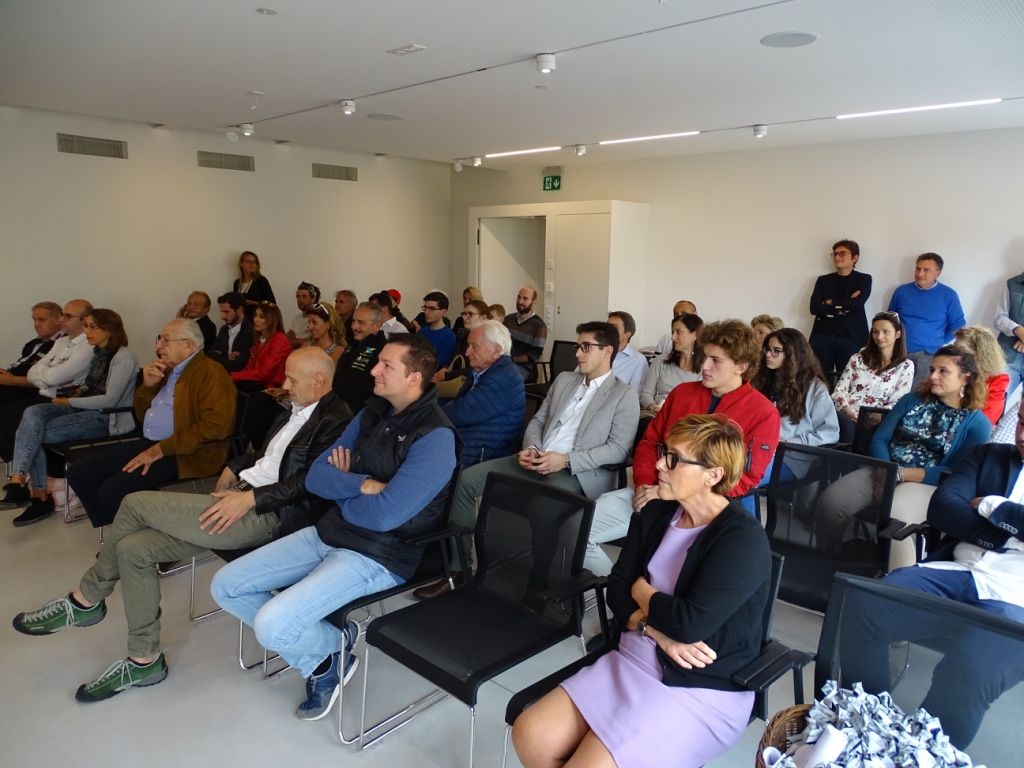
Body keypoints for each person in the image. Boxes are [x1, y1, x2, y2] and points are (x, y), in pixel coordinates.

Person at [11, 348, 352, 702]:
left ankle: (86, 600)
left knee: (134, 503)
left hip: (269, 515)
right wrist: (234, 467)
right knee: (133, 549)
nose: (284, 385)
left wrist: (250, 498)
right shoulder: (296, 408)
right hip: (241, 498)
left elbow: (311, 483)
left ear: (318, 380)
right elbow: (269, 456)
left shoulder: (338, 420)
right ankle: (144, 660)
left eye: (292, 379)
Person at [211, 335, 459, 720]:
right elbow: (316, 478)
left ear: (414, 378)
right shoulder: (372, 412)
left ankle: (322, 656)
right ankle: (331, 651)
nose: (373, 370)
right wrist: (362, 484)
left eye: (386, 365)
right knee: (226, 585)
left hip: (379, 554)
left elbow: (385, 517)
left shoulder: (436, 438)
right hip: (329, 532)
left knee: (272, 625)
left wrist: (343, 489)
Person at [512, 414, 771, 768]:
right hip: (632, 656)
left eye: (674, 459)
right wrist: (652, 629)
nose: (659, 465)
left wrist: (641, 590)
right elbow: (617, 589)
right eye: (665, 452)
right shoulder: (655, 514)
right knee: (530, 734)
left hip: (698, 687)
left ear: (713, 475)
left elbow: (687, 625)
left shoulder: (742, 539)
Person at [842, 412, 1024, 749]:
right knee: (863, 603)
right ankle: (868, 727)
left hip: (1017, 598)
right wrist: (1008, 537)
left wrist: (995, 508)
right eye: (1023, 421)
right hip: (959, 569)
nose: (1023, 435)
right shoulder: (989, 456)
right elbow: (942, 508)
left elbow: (972, 512)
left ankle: (923, 752)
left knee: (970, 668)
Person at [438, 322, 639, 592]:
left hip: (574, 471)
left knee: (542, 508)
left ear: (607, 351)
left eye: (585, 347)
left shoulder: (623, 394)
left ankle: (540, 580)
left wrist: (566, 460)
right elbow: (538, 420)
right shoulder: (565, 380)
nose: (577, 353)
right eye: (578, 346)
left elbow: (618, 449)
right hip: (535, 457)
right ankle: (459, 569)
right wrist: (532, 446)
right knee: (466, 482)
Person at [586, 320, 779, 576]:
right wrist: (644, 484)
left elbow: (745, 477)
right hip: (653, 490)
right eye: (704, 356)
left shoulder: (763, 413)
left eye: (715, 360)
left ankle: (636, 591)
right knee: (579, 528)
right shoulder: (682, 393)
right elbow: (650, 442)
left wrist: (674, 494)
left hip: (704, 509)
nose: (704, 366)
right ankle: (619, 589)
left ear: (741, 367)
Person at [816, 345, 991, 569]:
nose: (933, 376)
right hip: (884, 468)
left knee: (896, 522)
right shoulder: (912, 400)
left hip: (926, 484)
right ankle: (829, 560)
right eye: (932, 370)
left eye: (943, 371)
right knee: (831, 502)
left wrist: (900, 474)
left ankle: (894, 580)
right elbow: (880, 439)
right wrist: (886, 471)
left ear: (965, 377)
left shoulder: (977, 424)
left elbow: (957, 472)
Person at [67, 319, 236, 528]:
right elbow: (142, 415)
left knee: (112, 490)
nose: (158, 346)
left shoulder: (211, 372)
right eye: (159, 339)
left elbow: (216, 426)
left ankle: (133, 534)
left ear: (188, 345)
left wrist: (161, 449)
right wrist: (147, 388)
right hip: (151, 443)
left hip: (187, 453)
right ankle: (118, 527)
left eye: (166, 340)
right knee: (79, 473)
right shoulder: (167, 370)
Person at [3, 309, 138, 526]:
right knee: (33, 413)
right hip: (84, 408)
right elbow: (89, 388)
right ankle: (20, 481)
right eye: (86, 326)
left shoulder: (123, 357)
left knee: (34, 433)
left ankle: (36, 493)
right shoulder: (98, 353)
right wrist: (71, 392)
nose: (87, 332)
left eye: (92, 327)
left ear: (109, 330)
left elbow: (109, 400)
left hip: (107, 418)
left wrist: (68, 401)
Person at [0, 299, 94, 472]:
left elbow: (52, 377)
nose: (62, 320)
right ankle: (26, 475)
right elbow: (33, 373)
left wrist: (44, 376)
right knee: (4, 418)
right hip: (45, 395)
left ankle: (35, 476)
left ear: (84, 320)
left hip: (65, 401)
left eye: (67, 316)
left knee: (11, 430)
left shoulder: (89, 347)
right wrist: (46, 376)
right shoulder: (61, 342)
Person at [752, 327, 839, 479]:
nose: (768, 355)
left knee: (743, 479)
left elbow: (830, 433)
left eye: (776, 351)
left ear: (793, 354)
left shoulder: (814, 387)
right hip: (759, 449)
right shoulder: (763, 379)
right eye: (767, 349)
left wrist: (788, 443)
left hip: (791, 457)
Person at [439, 320, 524, 467]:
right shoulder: (483, 370)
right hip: (473, 441)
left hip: (486, 454)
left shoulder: (503, 378)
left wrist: (425, 414)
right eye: (468, 345)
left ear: (496, 351)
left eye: (475, 347)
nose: (467, 352)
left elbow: (460, 413)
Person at [831, 311, 915, 442]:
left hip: (879, 420)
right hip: (847, 415)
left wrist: (877, 415)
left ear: (898, 334)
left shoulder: (906, 366)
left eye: (885, 332)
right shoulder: (857, 358)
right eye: (876, 332)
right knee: (844, 426)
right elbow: (839, 391)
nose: (879, 336)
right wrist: (847, 410)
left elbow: (898, 401)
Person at [888, 252, 966, 388]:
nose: (920, 274)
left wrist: (938, 341)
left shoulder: (949, 295)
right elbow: (890, 320)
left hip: (927, 355)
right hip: (899, 351)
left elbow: (957, 326)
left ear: (938, 273)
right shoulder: (901, 291)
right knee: (892, 389)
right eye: (918, 269)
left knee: (918, 392)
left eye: (926, 270)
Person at [808, 239, 872, 379]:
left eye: (842, 253)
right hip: (823, 336)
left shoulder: (864, 279)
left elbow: (858, 303)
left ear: (855, 257)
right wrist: (845, 304)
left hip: (851, 337)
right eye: (835, 254)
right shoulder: (823, 280)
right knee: (820, 379)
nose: (837, 257)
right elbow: (814, 308)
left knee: (849, 379)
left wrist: (830, 302)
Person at [0, 301, 64, 408]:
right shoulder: (33, 343)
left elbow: (52, 380)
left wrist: (12, 380)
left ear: (59, 320)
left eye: (42, 320)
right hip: (11, 384)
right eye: (34, 320)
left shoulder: (63, 345)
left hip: (28, 391)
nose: (36, 324)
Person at [640, 312, 703, 414]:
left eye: (678, 332)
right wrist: (654, 408)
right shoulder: (660, 361)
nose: (673, 337)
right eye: (673, 332)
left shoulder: (706, 367)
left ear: (694, 335)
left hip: (689, 419)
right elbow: (646, 394)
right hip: (658, 414)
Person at [332, 302, 387, 415]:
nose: (354, 326)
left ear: (377, 326)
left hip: (359, 415)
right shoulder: (352, 344)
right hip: (337, 409)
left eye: (361, 322)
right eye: (353, 321)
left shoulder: (384, 350)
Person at [954, 326, 1009, 425]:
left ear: (980, 353)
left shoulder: (997, 380)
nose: (953, 353)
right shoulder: (951, 369)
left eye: (960, 350)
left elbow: (985, 421)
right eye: (953, 348)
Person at [231, 302, 290, 390]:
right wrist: (234, 377)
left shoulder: (280, 340)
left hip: (271, 387)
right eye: (255, 315)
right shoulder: (260, 340)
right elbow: (249, 368)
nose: (256, 319)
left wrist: (235, 376)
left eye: (262, 317)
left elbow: (266, 372)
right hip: (257, 383)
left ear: (272, 320)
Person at [504, 286, 548, 381]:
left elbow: (535, 355)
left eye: (525, 299)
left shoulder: (539, 326)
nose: (520, 301)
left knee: (502, 379)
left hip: (524, 369)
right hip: (505, 363)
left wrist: (512, 359)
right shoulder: (508, 319)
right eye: (519, 297)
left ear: (534, 302)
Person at [207, 292, 252, 373]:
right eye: (222, 312)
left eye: (226, 312)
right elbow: (210, 354)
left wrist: (219, 355)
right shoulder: (224, 329)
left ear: (240, 309)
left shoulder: (251, 331)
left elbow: (238, 365)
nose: (222, 316)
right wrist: (226, 357)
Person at [607, 310, 648, 392]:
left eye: (614, 328)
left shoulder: (638, 360)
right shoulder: (595, 351)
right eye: (607, 327)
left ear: (627, 335)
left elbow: (635, 395)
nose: (607, 331)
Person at [417, 291, 456, 368]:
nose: (426, 312)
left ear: (443, 312)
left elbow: (439, 363)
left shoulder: (449, 337)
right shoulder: (422, 331)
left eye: (431, 309)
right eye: (425, 308)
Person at [233, 250, 276, 317]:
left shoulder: (261, 280)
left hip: (258, 319)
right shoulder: (237, 283)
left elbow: (272, 303)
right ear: (241, 264)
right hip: (243, 320)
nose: (252, 264)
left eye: (254, 262)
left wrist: (253, 303)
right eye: (248, 261)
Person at [286, 281, 320, 347]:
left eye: (304, 296)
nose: (300, 300)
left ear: (313, 299)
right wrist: (299, 341)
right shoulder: (297, 317)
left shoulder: (320, 317)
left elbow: (315, 341)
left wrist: (296, 341)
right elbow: (288, 336)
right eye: (298, 297)